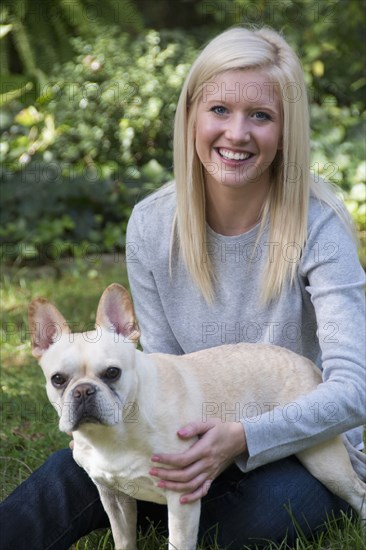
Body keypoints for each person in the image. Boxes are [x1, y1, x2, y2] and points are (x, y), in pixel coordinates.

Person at [1, 26, 365, 550]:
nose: (236, 133)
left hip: (297, 447)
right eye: (219, 109)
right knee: (67, 471)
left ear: (286, 132)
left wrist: (241, 438)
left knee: (261, 512)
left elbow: (354, 390)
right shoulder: (152, 225)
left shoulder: (320, 226)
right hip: (184, 440)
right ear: (191, 114)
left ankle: (179, 513)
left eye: (260, 116)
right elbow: (160, 371)